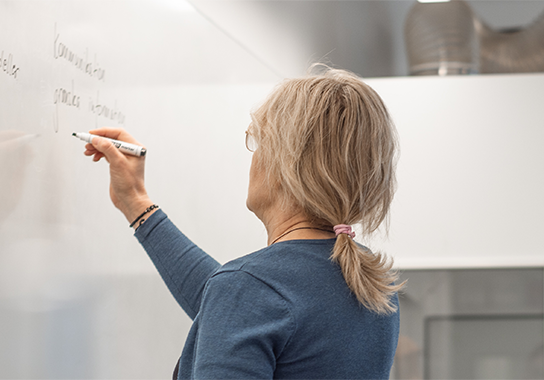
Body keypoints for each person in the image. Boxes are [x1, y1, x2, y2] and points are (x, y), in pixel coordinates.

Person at [82, 66, 401, 379]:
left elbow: (243, 303)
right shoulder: (373, 285)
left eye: (258, 142)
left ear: (284, 163)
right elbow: (235, 305)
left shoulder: (251, 289)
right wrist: (135, 202)